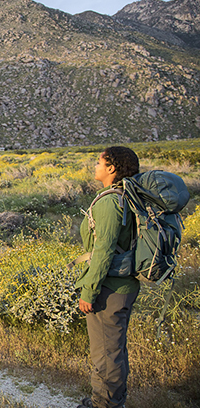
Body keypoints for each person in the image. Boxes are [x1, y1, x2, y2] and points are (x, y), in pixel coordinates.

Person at [75, 146, 141, 408]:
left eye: (99, 162)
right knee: (115, 349)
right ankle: (110, 400)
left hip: (109, 288)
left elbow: (103, 251)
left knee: (106, 352)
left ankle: (105, 404)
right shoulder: (128, 197)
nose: (95, 166)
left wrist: (89, 291)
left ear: (112, 168)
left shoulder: (111, 201)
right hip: (123, 283)